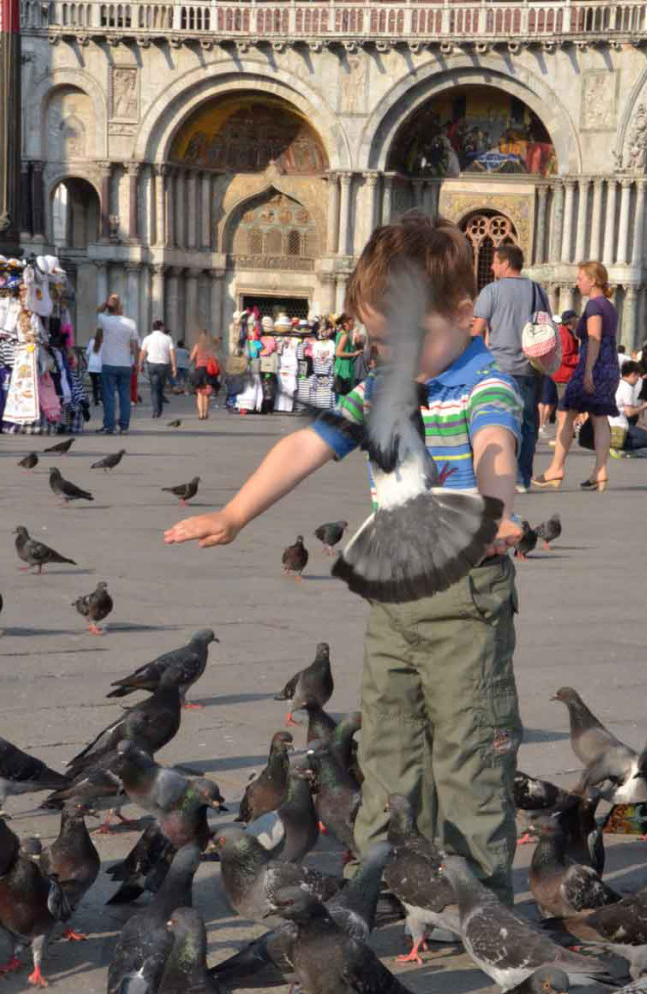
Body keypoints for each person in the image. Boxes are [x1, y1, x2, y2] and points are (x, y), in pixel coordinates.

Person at [164, 213, 524, 905]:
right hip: (393, 591)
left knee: (469, 743)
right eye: (379, 340)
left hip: (464, 596)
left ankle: (479, 893)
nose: (392, 354)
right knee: (385, 741)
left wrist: (496, 506)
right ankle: (385, 870)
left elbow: (495, 445)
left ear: (462, 314)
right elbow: (307, 445)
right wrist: (236, 513)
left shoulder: (485, 384)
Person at [531, 260, 619, 492]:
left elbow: (594, 339)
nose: (577, 283)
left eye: (581, 278)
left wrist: (588, 370)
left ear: (593, 280)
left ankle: (555, 469)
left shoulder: (594, 306)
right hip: (610, 366)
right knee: (600, 418)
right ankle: (600, 472)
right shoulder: (609, 306)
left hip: (593, 366)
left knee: (565, 415)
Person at [472, 244, 551, 492]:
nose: (492, 266)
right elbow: (546, 325)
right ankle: (522, 478)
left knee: (495, 422)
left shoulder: (491, 291)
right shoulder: (537, 290)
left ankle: (495, 474)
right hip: (530, 366)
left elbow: (477, 330)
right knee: (527, 423)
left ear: (506, 264)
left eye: (495, 262)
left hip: (499, 368)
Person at [579, 360, 647, 456]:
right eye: (638, 376)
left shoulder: (616, 383)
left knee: (634, 422)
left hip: (606, 421)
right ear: (633, 374)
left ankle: (615, 443)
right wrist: (646, 405)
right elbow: (629, 412)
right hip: (618, 424)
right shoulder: (627, 387)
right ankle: (617, 446)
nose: (638, 379)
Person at [96, 294, 138, 435]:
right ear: (121, 309)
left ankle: (109, 426)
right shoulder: (131, 323)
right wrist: (136, 363)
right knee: (125, 396)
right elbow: (135, 345)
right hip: (125, 364)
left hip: (109, 363)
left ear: (110, 308)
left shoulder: (105, 320)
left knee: (108, 396)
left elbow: (98, 310)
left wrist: (107, 301)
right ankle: (124, 426)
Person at [541, 308, 579, 439]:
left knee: (565, 405)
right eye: (576, 319)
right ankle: (562, 432)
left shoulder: (565, 332)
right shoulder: (565, 334)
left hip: (562, 374)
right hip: (564, 375)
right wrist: (581, 359)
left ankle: (566, 430)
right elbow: (566, 357)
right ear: (571, 321)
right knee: (564, 407)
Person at [138, 319, 176, 419]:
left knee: (154, 389)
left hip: (152, 365)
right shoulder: (168, 338)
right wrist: (174, 366)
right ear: (161, 327)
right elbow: (172, 353)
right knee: (160, 388)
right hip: (163, 366)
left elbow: (143, 352)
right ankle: (159, 410)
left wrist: (140, 364)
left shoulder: (147, 338)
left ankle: (156, 411)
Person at [190, 330, 221, 420]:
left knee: (200, 393)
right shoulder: (210, 347)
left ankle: (200, 414)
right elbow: (215, 357)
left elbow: (192, 358)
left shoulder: (197, 345)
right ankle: (205, 413)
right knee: (206, 394)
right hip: (208, 371)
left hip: (199, 370)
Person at [332, 315, 361, 398]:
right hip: (344, 371)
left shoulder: (342, 334)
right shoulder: (344, 336)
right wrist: (354, 354)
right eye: (352, 321)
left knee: (342, 398)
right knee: (343, 398)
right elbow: (338, 353)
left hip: (342, 369)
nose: (354, 323)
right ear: (346, 323)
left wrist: (356, 343)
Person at [86, 332, 103, 407]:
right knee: (103, 384)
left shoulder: (91, 342)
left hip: (91, 366)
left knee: (94, 385)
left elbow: (87, 353)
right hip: (100, 366)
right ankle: (101, 398)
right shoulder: (104, 343)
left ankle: (96, 400)